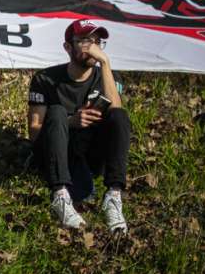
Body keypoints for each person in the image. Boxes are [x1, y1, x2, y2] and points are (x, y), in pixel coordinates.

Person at [27, 20, 131, 232]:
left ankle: (113, 196)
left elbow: (116, 114)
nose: (92, 47)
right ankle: (60, 196)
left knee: (120, 115)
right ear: (68, 47)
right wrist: (71, 121)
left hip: (91, 153)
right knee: (56, 111)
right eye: (85, 41)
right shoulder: (45, 78)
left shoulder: (108, 76)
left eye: (97, 42)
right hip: (56, 152)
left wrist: (106, 64)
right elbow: (34, 132)